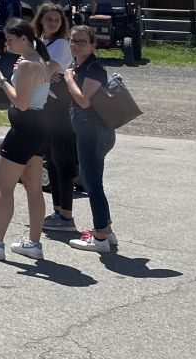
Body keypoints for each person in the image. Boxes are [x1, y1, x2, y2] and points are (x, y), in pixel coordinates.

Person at [0, 19, 52, 262]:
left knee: (3, 187)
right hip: (38, 128)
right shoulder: (39, 60)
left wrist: (1, 80)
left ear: (24, 39)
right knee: (33, 187)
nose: (7, 44)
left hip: (24, 130)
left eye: (10, 39)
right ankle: (33, 244)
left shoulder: (26, 65)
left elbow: (21, 103)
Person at [64, 24, 119, 252]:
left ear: (93, 44)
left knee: (91, 183)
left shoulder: (94, 67)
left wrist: (69, 79)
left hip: (93, 132)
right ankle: (106, 231)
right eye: (73, 40)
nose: (76, 45)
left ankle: (100, 238)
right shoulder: (79, 65)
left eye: (82, 42)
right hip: (90, 130)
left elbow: (84, 101)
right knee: (92, 181)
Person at [35, 2, 78, 235]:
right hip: (46, 108)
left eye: (57, 19)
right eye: (49, 19)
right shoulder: (40, 42)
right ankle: (58, 211)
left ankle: (67, 216)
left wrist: (38, 70)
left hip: (59, 109)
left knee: (63, 161)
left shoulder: (60, 44)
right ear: (40, 20)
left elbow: (41, 73)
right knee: (51, 160)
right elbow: (36, 71)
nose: (53, 23)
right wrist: (39, 70)